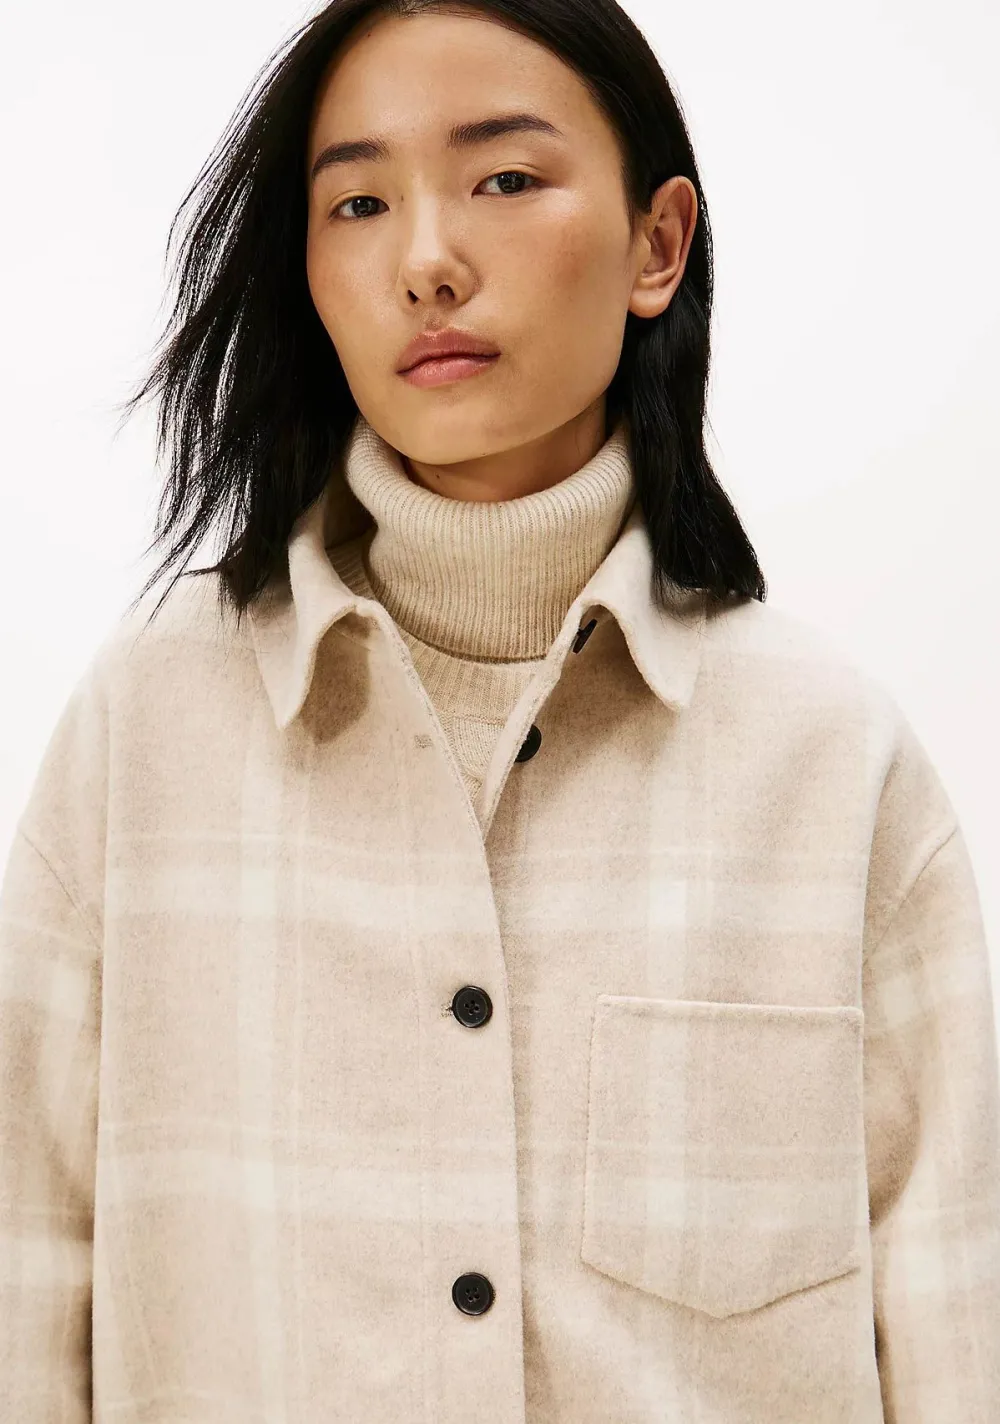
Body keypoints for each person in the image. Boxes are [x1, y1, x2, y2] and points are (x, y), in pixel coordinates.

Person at [1, 1, 997, 1420]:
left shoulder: (834, 765)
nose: (426, 260)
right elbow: (23, 1287)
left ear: (658, 245)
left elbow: (962, 1338)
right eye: (358, 202)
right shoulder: (143, 740)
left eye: (506, 178)